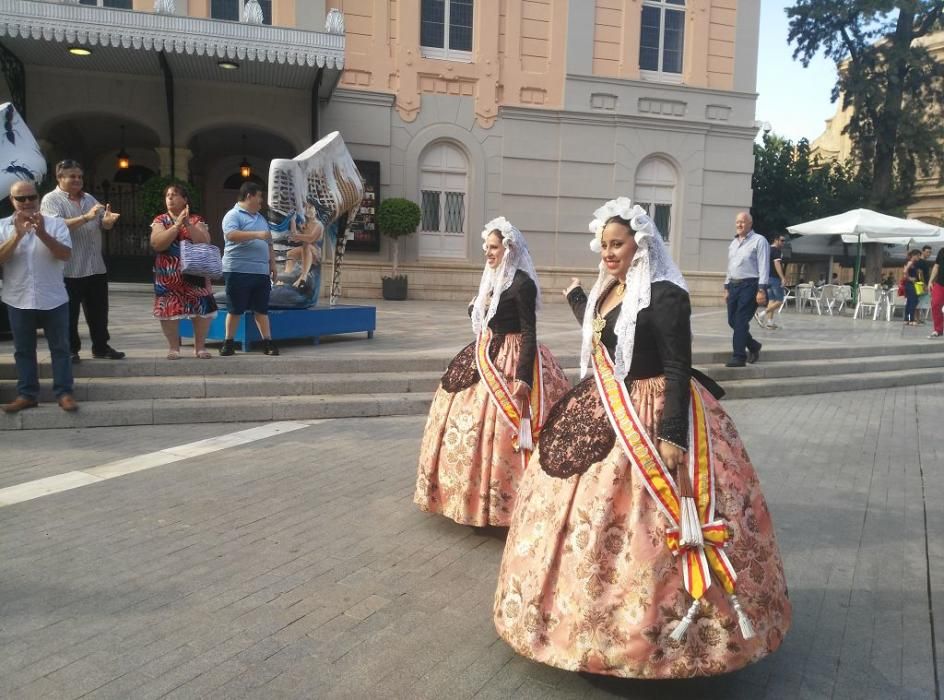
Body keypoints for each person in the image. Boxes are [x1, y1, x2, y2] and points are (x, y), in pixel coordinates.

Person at [493, 198, 791, 678]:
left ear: (640, 243)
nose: (608, 253)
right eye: (604, 246)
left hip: (655, 412)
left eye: (618, 244)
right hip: (609, 405)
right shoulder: (609, 289)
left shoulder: (667, 294)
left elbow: (675, 365)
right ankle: (580, 623)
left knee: (653, 523)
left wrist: (672, 433)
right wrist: (577, 300)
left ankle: (680, 636)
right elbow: (608, 339)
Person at [414, 217, 570, 527]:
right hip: (487, 351)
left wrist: (524, 376)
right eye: (486, 247)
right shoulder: (493, 277)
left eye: (494, 247)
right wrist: (476, 306)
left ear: (509, 249)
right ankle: (470, 498)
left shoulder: (521, 283)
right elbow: (484, 317)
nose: (488, 253)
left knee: (505, 432)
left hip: (514, 359)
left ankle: (512, 501)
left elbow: (529, 331)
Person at [0, 180, 78, 413]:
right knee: (23, 350)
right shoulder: (3, 227)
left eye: (31, 197)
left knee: (60, 349)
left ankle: (64, 393)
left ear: (37, 197)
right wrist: (17, 236)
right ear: (12, 201)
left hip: (52, 296)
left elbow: (65, 255)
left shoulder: (56, 225)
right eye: (20, 198)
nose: (27, 202)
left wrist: (42, 233)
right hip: (18, 297)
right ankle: (27, 394)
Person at [40, 159, 125, 363]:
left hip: (95, 266)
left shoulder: (89, 198)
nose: (77, 180)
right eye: (72, 176)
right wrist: (86, 217)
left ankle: (101, 346)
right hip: (68, 269)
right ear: (60, 178)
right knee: (69, 314)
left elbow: (103, 222)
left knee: (99, 312)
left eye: (79, 176)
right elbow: (55, 227)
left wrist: (107, 222)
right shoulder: (51, 200)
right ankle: (70, 350)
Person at [150, 184, 218, 359]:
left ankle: (200, 347)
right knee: (168, 310)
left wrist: (186, 223)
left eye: (175, 195)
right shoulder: (160, 220)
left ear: (185, 200)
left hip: (196, 273)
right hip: (168, 275)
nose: (170, 198)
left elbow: (204, 242)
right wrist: (176, 226)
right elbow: (158, 243)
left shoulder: (196, 219)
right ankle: (174, 348)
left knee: (201, 307)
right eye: (168, 195)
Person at [220, 182, 279, 356]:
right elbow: (231, 235)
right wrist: (256, 234)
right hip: (238, 270)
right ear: (249, 196)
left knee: (261, 309)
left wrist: (273, 264)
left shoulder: (261, 218)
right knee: (235, 308)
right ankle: (228, 342)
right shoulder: (233, 215)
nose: (261, 200)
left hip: (260, 272)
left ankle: (267, 342)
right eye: (259, 196)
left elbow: (269, 243)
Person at [723, 212, 768, 367]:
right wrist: (726, 286)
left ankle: (739, 356)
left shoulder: (759, 241)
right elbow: (730, 266)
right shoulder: (734, 243)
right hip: (734, 286)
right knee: (732, 321)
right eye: (737, 222)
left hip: (750, 285)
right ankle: (754, 345)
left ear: (750, 223)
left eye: (742, 222)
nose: (739, 225)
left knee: (741, 321)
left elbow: (764, 266)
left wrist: (761, 290)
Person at [756, 234, 787, 329]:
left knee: (772, 300)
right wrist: (782, 277)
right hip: (774, 278)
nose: (783, 243)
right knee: (780, 301)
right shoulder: (776, 250)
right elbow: (777, 263)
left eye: (784, 241)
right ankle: (761, 314)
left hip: (766, 278)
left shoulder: (767, 249)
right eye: (781, 240)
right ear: (776, 240)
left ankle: (770, 322)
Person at [903, 249, 921, 326]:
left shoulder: (912, 263)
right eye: (918, 255)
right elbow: (904, 271)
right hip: (911, 285)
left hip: (910, 284)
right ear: (914, 255)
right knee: (913, 302)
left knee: (910, 302)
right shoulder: (910, 262)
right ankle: (911, 319)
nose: (919, 257)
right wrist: (910, 278)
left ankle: (907, 319)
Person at [928, 248, 944, 338]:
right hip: (940, 283)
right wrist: (930, 281)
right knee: (935, 304)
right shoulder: (942, 250)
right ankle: (938, 329)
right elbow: (936, 266)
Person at [915, 245, 932, 323]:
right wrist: (924, 284)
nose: (929, 254)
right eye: (927, 252)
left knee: (921, 302)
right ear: (923, 252)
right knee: (918, 301)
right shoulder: (920, 261)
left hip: (923, 283)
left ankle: (918, 318)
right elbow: (920, 273)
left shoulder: (925, 262)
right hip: (919, 284)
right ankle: (916, 318)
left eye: (930, 252)